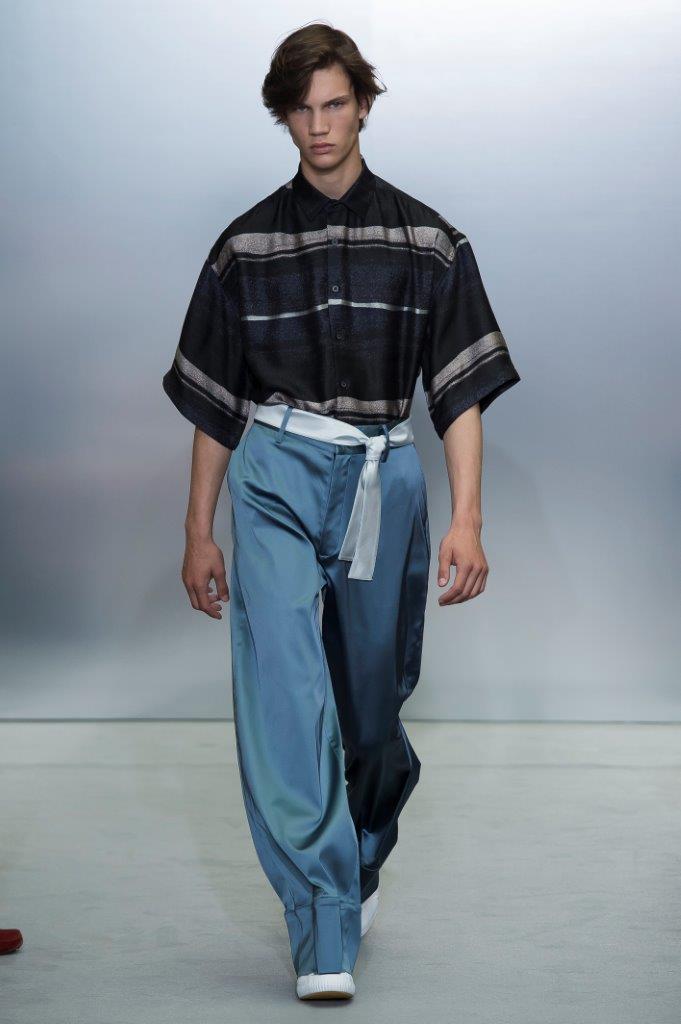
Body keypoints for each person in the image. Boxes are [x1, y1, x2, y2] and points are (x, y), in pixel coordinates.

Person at [162, 22, 520, 1001]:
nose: (318, 126)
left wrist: (467, 518)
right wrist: (197, 531)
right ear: (283, 117)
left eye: (334, 104)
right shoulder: (243, 246)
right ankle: (322, 923)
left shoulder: (428, 241)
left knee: (368, 704)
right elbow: (216, 405)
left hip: (380, 477)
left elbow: (459, 394)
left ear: (363, 105)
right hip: (274, 474)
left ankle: (361, 849)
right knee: (286, 689)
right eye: (300, 109)